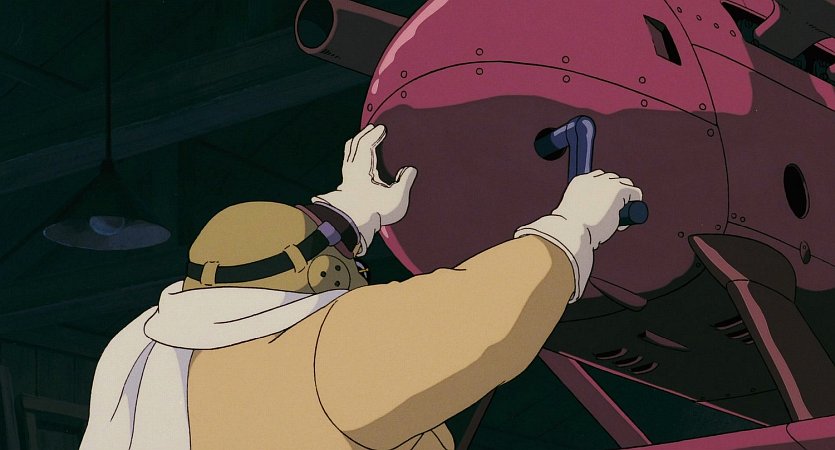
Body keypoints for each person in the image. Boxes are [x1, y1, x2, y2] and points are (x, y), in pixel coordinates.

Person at [80, 124, 642, 449]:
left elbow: (269, 258)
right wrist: (572, 227)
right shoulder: (318, 352)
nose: (358, 270)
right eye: (345, 257)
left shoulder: (144, 350)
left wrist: (353, 209)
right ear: (321, 275)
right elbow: (482, 315)